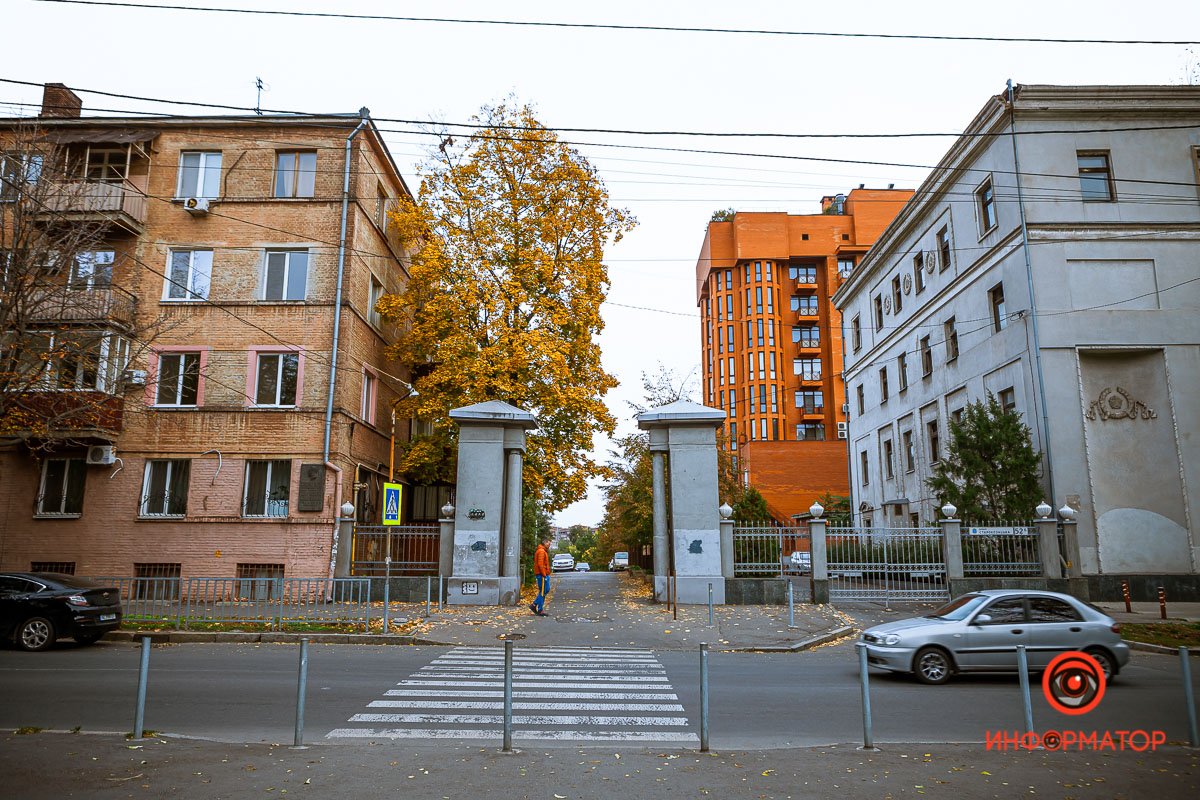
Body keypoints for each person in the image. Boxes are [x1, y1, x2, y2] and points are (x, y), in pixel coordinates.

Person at [531, 536, 551, 616]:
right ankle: (537, 607)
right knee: (543, 591)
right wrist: (544, 574)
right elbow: (540, 564)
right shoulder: (542, 551)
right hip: (542, 575)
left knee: (544, 590)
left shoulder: (542, 551)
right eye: (549, 542)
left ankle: (536, 607)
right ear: (545, 542)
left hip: (542, 574)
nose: (549, 544)